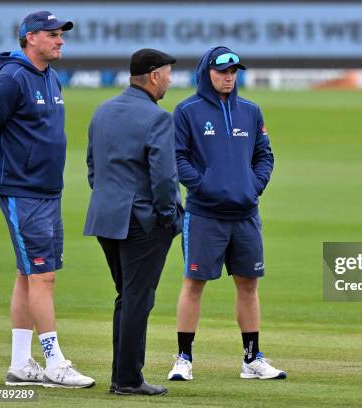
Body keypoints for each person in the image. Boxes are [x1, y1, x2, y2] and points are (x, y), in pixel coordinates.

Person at [0, 11, 94, 388]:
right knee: (43, 276)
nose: (60, 41)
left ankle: (21, 364)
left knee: (28, 274)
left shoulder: (50, 76)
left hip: (46, 192)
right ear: (30, 38)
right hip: (25, 194)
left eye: (61, 35)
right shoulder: (10, 81)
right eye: (52, 34)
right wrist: (5, 176)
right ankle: (55, 363)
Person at [166, 46, 285, 381]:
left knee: (248, 284)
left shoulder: (250, 111)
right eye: (222, 72)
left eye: (233, 72)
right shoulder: (187, 110)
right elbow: (177, 159)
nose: (229, 77)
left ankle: (251, 360)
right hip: (204, 213)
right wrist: (204, 186)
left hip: (246, 214)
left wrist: (254, 185)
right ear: (207, 73)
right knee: (194, 283)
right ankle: (184, 359)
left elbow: (265, 155)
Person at [84, 48, 182, 396]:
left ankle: (122, 376)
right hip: (142, 221)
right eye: (168, 72)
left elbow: (92, 168)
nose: (171, 79)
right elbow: (164, 178)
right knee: (137, 298)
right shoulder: (158, 118)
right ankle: (127, 379)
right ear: (154, 75)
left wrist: (110, 200)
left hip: (105, 218)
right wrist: (168, 216)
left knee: (126, 297)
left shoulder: (103, 110)